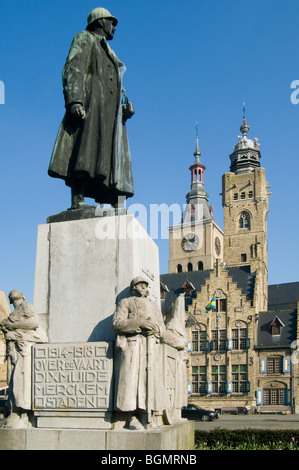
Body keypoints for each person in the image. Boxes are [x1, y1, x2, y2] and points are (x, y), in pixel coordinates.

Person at [48, 7, 134, 209]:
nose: (114, 27)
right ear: (100, 22)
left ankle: (115, 199)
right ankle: (78, 199)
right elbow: (73, 68)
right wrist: (75, 100)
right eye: (111, 22)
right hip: (92, 105)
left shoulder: (111, 53)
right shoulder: (84, 38)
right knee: (85, 152)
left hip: (110, 115)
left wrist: (123, 108)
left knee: (111, 158)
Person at [112, 277, 165, 429]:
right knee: (130, 381)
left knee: (149, 381)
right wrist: (139, 324)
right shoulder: (126, 302)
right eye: (139, 285)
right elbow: (117, 324)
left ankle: (148, 415)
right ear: (133, 287)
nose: (143, 287)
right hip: (133, 346)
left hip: (150, 347)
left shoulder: (154, 306)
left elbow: (162, 327)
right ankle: (130, 417)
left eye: (145, 285)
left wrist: (156, 329)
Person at [0, 290, 47, 428]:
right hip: (13, 350)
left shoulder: (26, 305)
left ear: (22, 296)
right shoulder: (13, 312)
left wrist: (13, 326)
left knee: (20, 380)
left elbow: (34, 322)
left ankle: (22, 413)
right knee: (12, 380)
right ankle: (14, 412)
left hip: (21, 349)